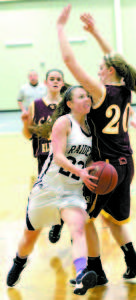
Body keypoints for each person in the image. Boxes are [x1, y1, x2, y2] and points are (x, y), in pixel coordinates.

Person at [53, 4, 136, 285]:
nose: (97, 71)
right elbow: (117, 59)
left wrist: (59, 28)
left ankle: (96, 271)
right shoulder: (126, 88)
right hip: (126, 164)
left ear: (108, 72)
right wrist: (95, 32)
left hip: (106, 167)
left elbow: (70, 61)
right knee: (111, 218)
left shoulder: (99, 91)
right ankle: (133, 263)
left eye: (100, 69)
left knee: (82, 217)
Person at [7, 85, 99, 295]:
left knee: (77, 228)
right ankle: (19, 263)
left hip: (72, 191)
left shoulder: (91, 128)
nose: (87, 99)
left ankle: (81, 275)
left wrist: (95, 171)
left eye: (88, 96)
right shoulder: (63, 122)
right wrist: (81, 171)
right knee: (30, 237)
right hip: (48, 188)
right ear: (69, 104)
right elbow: (58, 156)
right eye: (81, 96)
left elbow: (89, 159)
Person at [21, 69, 66, 175]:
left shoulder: (67, 105)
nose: (55, 81)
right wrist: (25, 123)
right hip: (44, 155)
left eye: (58, 79)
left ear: (62, 83)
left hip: (65, 154)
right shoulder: (35, 105)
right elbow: (28, 135)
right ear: (45, 82)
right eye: (52, 79)